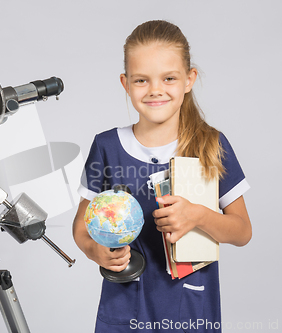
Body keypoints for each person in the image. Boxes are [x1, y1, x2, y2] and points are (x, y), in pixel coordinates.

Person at [72, 20, 252, 332]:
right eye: (141, 80)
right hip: (124, 308)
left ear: (188, 79)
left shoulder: (211, 145)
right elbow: (81, 227)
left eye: (169, 78)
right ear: (125, 83)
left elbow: (242, 231)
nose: (156, 89)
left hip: (190, 310)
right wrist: (96, 252)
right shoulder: (107, 146)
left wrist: (197, 216)